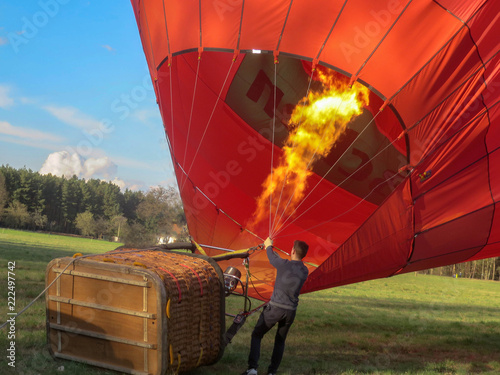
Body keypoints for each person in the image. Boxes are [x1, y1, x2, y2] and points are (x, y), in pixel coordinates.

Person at [242, 237, 309, 375]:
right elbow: (288, 267)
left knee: (257, 334)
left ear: (292, 250)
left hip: (275, 309)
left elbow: (273, 260)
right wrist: (280, 260)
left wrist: (268, 246)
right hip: (290, 312)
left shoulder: (283, 264)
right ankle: (272, 372)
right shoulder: (304, 270)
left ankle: (252, 369)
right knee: (280, 341)